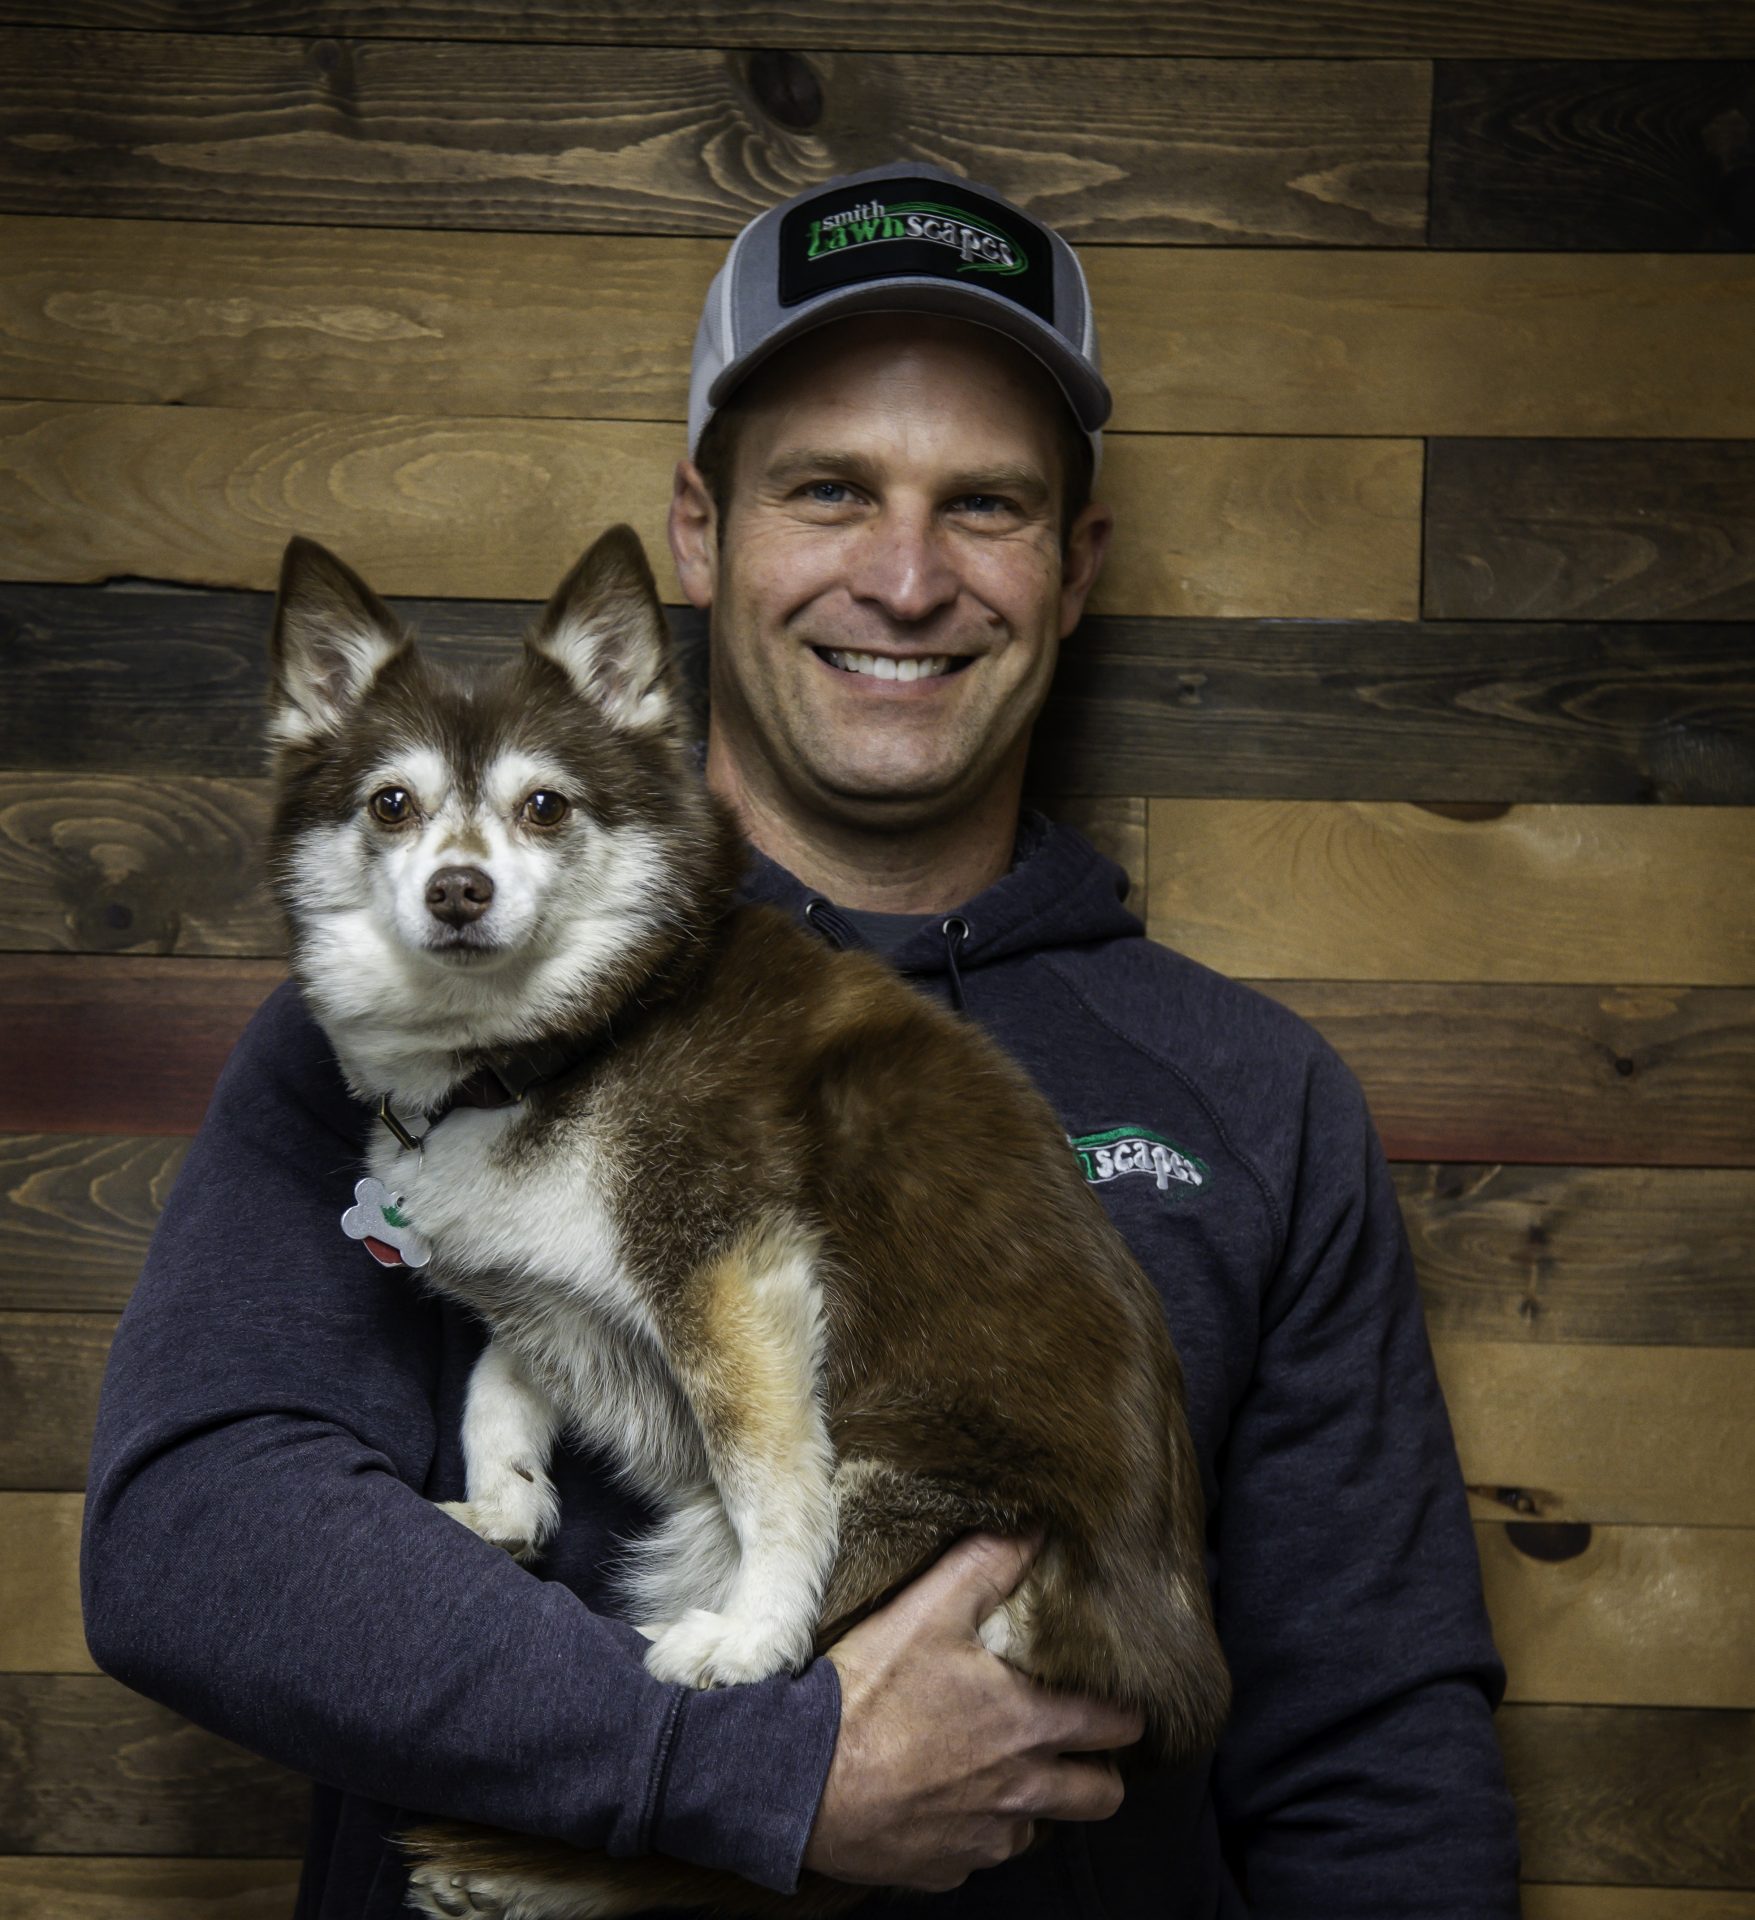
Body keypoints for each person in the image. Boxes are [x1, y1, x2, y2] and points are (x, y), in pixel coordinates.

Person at [83, 163, 1521, 1917]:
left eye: (983, 506)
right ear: (700, 531)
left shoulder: (1253, 1096)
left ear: (1074, 570)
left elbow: (1374, 1753)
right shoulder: (397, 1035)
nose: (904, 579)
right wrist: (771, 1775)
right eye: (830, 489)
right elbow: (199, 1536)